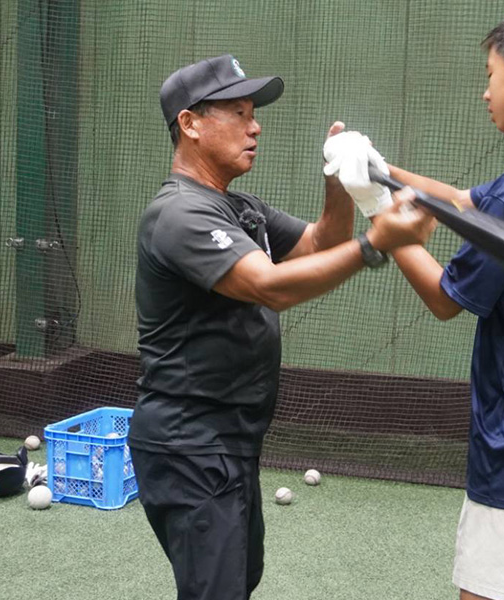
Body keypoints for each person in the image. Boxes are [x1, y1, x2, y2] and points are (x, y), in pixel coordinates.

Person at [127, 54, 435, 600]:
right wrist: (376, 244)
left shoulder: (237, 207)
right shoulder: (178, 214)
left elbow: (320, 243)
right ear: (190, 124)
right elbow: (270, 285)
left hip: (231, 441)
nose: (255, 126)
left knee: (238, 582)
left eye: (254, 112)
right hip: (189, 444)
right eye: (238, 113)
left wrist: (337, 181)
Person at [342, 8, 504, 600]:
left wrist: (372, 210)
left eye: (489, 74)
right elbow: (467, 204)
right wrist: (380, 171)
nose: (484, 90)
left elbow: (445, 299)